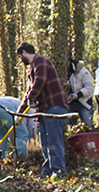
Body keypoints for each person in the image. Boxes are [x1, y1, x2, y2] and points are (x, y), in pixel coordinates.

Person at [18, 42, 71, 177]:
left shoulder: (40, 61)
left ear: (24, 52)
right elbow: (29, 91)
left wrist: (31, 98)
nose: (20, 60)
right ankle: (48, 172)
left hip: (54, 107)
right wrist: (20, 111)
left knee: (54, 141)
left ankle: (59, 172)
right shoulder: (32, 69)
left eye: (19, 57)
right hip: (44, 111)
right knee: (45, 143)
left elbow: (40, 82)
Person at [66, 58, 95, 129]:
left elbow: (90, 87)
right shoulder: (69, 74)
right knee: (68, 125)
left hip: (84, 102)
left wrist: (78, 94)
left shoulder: (84, 72)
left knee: (87, 125)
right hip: (71, 103)